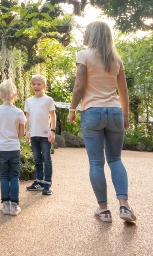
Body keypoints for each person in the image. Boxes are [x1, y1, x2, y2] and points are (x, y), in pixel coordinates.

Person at [67, 21, 136, 223]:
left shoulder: (84, 55)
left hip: (92, 111)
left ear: (92, 35)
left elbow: (79, 85)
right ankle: (124, 206)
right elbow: (123, 91)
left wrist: (72, 109)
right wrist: (126, 115)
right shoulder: (116, 59)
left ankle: (104, 210)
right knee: (115, 159)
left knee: (96, 162)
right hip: (115, 111)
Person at [0, 79, 26, 216]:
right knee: (15, 177)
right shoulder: (18, 112)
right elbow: (21, 133)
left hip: (1, 147)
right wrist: (16, 138)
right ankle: (15, 206)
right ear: (15, 95)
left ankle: (5, 205)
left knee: (4, 176)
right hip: (14, 148)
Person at [24, 74, 56, 195]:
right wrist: (27, 132)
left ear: (44, 86)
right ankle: (39, 181)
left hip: (45, 134)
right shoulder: (29, 101)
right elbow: (27, 118)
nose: (36, 86)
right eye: (34, 84)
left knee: (46, 159)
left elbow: (53, 116)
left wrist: (52, 130)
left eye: (39, 84)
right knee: (37, 159)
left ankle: (47, 183)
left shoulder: (48, 100)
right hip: (34, 134)